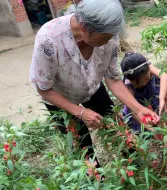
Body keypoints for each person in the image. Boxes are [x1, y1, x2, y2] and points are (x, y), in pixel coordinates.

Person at [29, 0, 159, 167]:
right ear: (85, 28)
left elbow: (112, 78)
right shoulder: (49, 40)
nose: (108, 42)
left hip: (93, 89)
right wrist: (80, 112)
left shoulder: (110, 38)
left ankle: (134, 166)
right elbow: (44, 88)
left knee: (118, 130)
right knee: (82, 146)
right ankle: (96, 180)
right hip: (60, 98)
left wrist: (139, 109)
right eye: (104, 38)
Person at [121, 53, 167, 132]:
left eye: (147, 79)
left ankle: (160, 116)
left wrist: (161, 98)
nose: (144, 83)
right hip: (139, 101)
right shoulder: (128, 85)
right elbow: (132, 110)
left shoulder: (146, 67)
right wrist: (150, 128)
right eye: (138, 84)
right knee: (143, 125)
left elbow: (164, 76)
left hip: (153, 92)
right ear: (130, 80)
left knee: (161, 110)